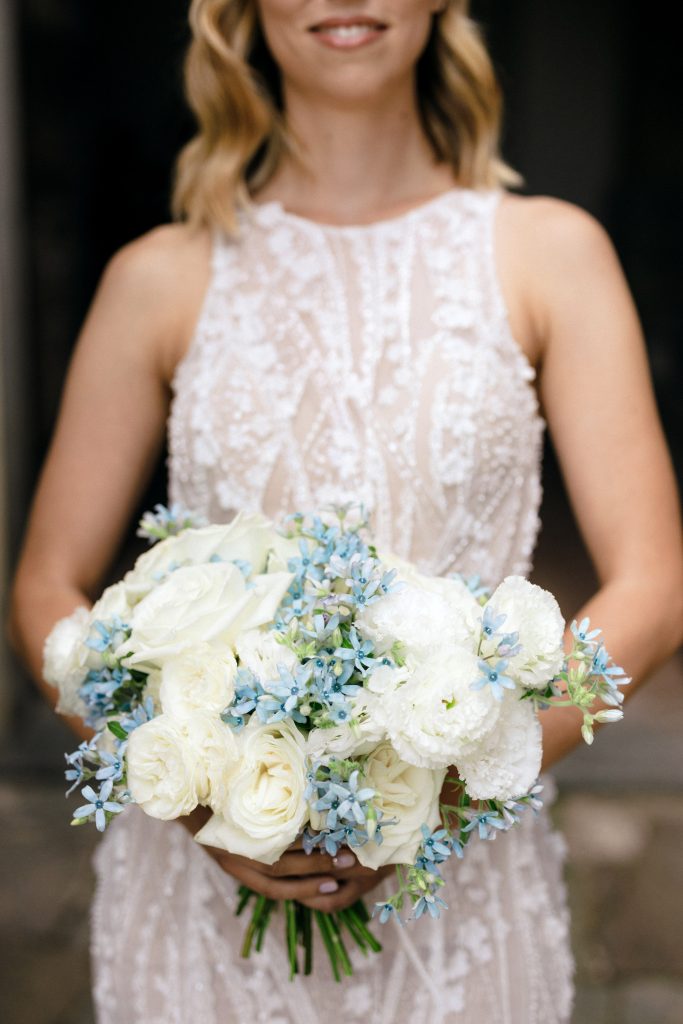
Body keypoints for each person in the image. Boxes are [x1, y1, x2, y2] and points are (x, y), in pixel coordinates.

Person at [9, 0, 683, 1021]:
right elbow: (44, 586)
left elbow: (656, 587)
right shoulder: (157, 278)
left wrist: (445, 788)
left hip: (463, 902)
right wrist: (195, 791)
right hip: (202, 907)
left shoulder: (549, 255)